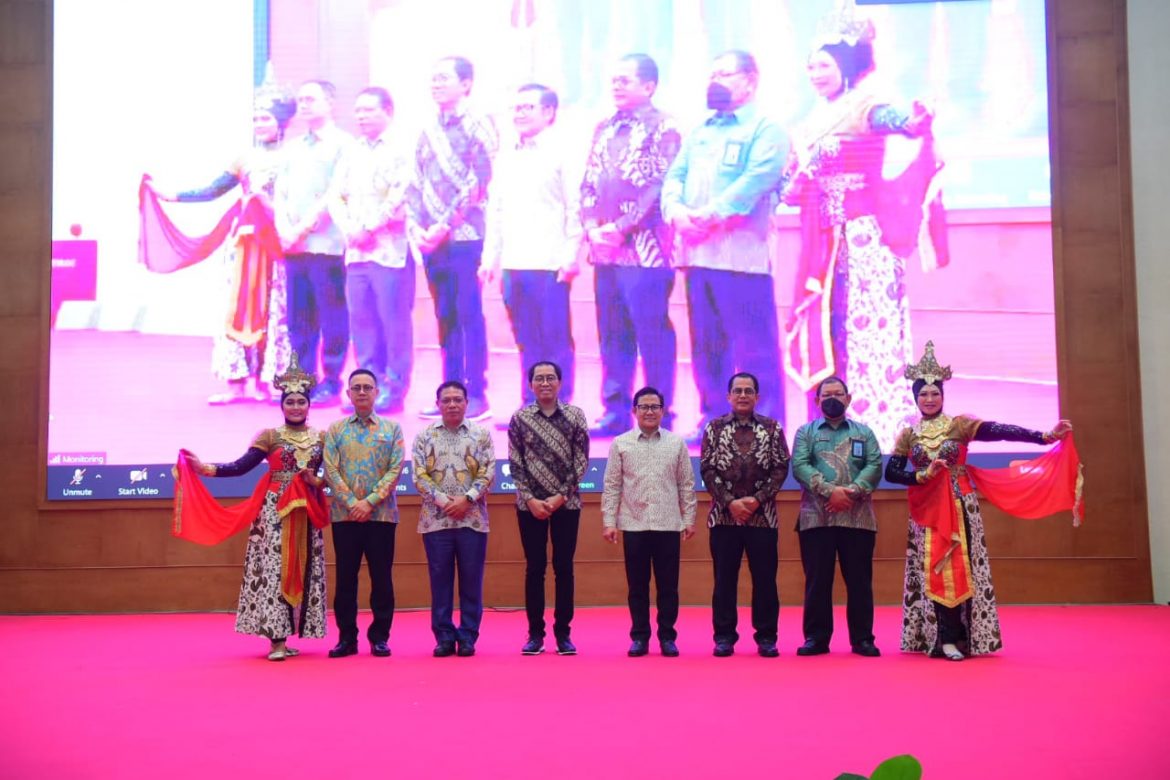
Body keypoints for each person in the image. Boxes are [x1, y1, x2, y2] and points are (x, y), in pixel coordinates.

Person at [781, 10, 946, 450]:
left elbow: (893, 120)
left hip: (863, 242)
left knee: (861, 334)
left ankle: (872, 427)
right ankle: (825, 427)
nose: (815, 73)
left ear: (846, 65)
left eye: (824, 65)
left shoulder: (865, 105)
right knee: (827, 330)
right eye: (810, 66)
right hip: (824, 242)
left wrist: (912, 121)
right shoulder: (812, 118)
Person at [884, 342, 1076, 661]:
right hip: (926, 512)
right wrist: (923, 475)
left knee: (961, 568)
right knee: (933, 570)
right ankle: (941, 638)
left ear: (943, 396)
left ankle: (960, 637)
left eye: (935, 393)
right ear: (915, 398)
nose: (929, 399)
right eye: (923, 394)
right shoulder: (909, 434)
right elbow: (891, 472)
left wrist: (1044, 436)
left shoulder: (959, 425)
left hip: (961, 505)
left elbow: (1000, 430)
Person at [143, 69, 294, 404]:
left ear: (282, 121)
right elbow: (214, 190)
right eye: (256, 118)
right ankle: (236, 383)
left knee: (273, 307)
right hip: (244, 244)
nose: (259, 124)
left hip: (278, 243)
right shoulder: (244, 158)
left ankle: (268, 381)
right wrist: (173, 195)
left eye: (266, 117)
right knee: (238, 305)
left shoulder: (294, 157)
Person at [661, 49, 787, 445]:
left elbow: (757, 180)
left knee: (754, 349)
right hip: (698, 257)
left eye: (725, 74)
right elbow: (675, 176)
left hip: (742, 259)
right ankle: (713, 418)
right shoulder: (700, 130)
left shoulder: (766, 129)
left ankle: (763, 426)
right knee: (707, 346)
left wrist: (707, 217)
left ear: (750, 81)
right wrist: (677, 213)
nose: (715, 80)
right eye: (712, 73)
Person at [172, 352, 329, 661]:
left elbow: (330, 475)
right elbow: (241, 467)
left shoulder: (322, 438)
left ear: (309, 405)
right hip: (273, 513)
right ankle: (276, 641)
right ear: (281, 405)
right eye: (290, 402)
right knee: (273, 570)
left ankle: (290, 632)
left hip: (307, 512)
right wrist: (205, 469)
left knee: (304, 567)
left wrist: (318, 481)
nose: (296, 406)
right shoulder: (269, 436)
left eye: (301, 401)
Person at [581, 53, 682, 436]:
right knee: (612, 333)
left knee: (652, 335)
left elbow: (661, 185)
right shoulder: (604, 127)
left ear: (649, 86)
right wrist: (592, 226)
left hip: (646, 252)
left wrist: (621, 227)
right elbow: (589, 182)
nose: (617, 86)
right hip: (605, 252)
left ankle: (659, 412)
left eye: (625, 80)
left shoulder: (664, 127)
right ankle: (615, 411)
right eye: (614, 80)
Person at [406, 56, 498, 422]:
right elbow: (415, 181)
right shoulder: (427, 129)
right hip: (432, 240)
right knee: (444, 314)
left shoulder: (480, 124)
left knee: (468, 313)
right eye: (433, 78)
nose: (436, 84)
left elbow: (480, 180)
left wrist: (444, 224)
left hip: (466, 235)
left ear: (466, 83)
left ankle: (477, 395)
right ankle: (451, 391)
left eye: (444, 78)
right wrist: (418, 226)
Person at [481, 84, 581, 416]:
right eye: (517, 108)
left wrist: (571, 255)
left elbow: (575, 207)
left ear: (549, 112)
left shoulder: (563, 152)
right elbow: (496, 209)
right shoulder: (506, 155)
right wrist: (489, 258)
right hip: (514, 262)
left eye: (528, 107)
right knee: (525, 338)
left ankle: (559, 405)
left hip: (550, 262)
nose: (520, 113)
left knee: (554, 339)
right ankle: (531, 402)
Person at [329, 86, 414, 414]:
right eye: (358, 110)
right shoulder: (351, 151)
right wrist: (351, 230)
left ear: (388, 111)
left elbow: (400, 193)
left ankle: (394, 388)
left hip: (390, 251)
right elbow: (335, 196)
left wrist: (370, 227)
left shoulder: (402, 149)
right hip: (357, 252)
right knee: (362, 321)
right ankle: (367, 387)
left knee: (393, 323)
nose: (361, 116)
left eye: (368, 110)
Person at [790, 375, 882, 657]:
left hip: (858, 519)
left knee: (860, 582)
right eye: (827, 395)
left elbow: (874, 466)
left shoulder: (864, 433)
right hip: (816, 519)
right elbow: (800, 466)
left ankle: (862, 639)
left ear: (848, 398)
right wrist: (831, 492)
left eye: (838, 394)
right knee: (817, 582)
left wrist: (850, 493)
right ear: (817, 401)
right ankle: (816, 639)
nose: (833, 399)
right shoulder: (805, 432)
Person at [699, 371, 790, 657]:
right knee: (724, 581)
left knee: (765, 580)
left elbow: (781, 468)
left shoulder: (772, 428)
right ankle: (724, 637)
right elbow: (707, 469)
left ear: (757, 397)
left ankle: (766, 637)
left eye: (748, 391)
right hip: (723, 518)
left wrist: (756, 500)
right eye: (737, 391)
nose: (742, 395)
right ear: (728, 396)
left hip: (763, 517)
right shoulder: (714, 428)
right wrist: (730, 503)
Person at [601, 386, 697, 657]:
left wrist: (689, 519)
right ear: (634, 411)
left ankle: (667, 637)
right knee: (637, 587)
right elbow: (612, 485)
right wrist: (609, 521)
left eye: (655, 407)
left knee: (668, 587)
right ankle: (640, 637)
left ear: (663, 411)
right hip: (634, 524)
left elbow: (686, 484)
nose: (650, 411)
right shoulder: (620, 443)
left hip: (668, 524)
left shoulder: (676, 443)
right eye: (644, 407)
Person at [274, 79, 352, 405]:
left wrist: (302, 228)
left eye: (311, 99)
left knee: (332, 315)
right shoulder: (292, 147)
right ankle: (301, 380)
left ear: (330, 103)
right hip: (294, 247)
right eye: (301, 99)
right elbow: (280, 192)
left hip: (326, 245)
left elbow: (336, 193)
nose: (304, 104)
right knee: (299, 318)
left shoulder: (343, 144)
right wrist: (284, 229)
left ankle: (331, 381)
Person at [508, 361, 589, 655]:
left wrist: (559, 497)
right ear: (531, 384)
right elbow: (515, 463)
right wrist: (530, 499)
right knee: (535, 568)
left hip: (567, 504)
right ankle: (535, 635)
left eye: (550, 378)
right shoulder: (520, 418)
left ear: (559, 383)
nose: (545, 383)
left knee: (564, 568)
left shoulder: (575, 416)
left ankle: (563, 634)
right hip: (529, 506)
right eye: (539, 378)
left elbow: (581, 461)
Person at [322, 369, 406, 658]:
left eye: (367, 387)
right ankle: (347, 638)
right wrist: (351, 503)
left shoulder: (392, 429)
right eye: (356, 387)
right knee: (345, 580)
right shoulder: (336, 430)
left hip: (381, 517)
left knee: (382, 579)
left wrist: (368, 502)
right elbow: (330, 470)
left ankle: (380, 637)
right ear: (348, 393)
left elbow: (395, 469)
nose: (361, 392)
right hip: (344, 517)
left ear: (376, 392)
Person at [412, 380, 496, 657]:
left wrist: (467, 499)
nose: (452, 404)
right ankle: (444, 637)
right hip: (436, 521)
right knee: (440, 582)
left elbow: (488, 472)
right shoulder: (424, 436)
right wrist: (443, 501)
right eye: (446, 400)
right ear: (438, 404)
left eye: (457, 400)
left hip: (473, 520)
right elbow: (418, 475)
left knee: (472, 581)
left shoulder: (481, 435)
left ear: (466, 403)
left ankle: (468, 636)